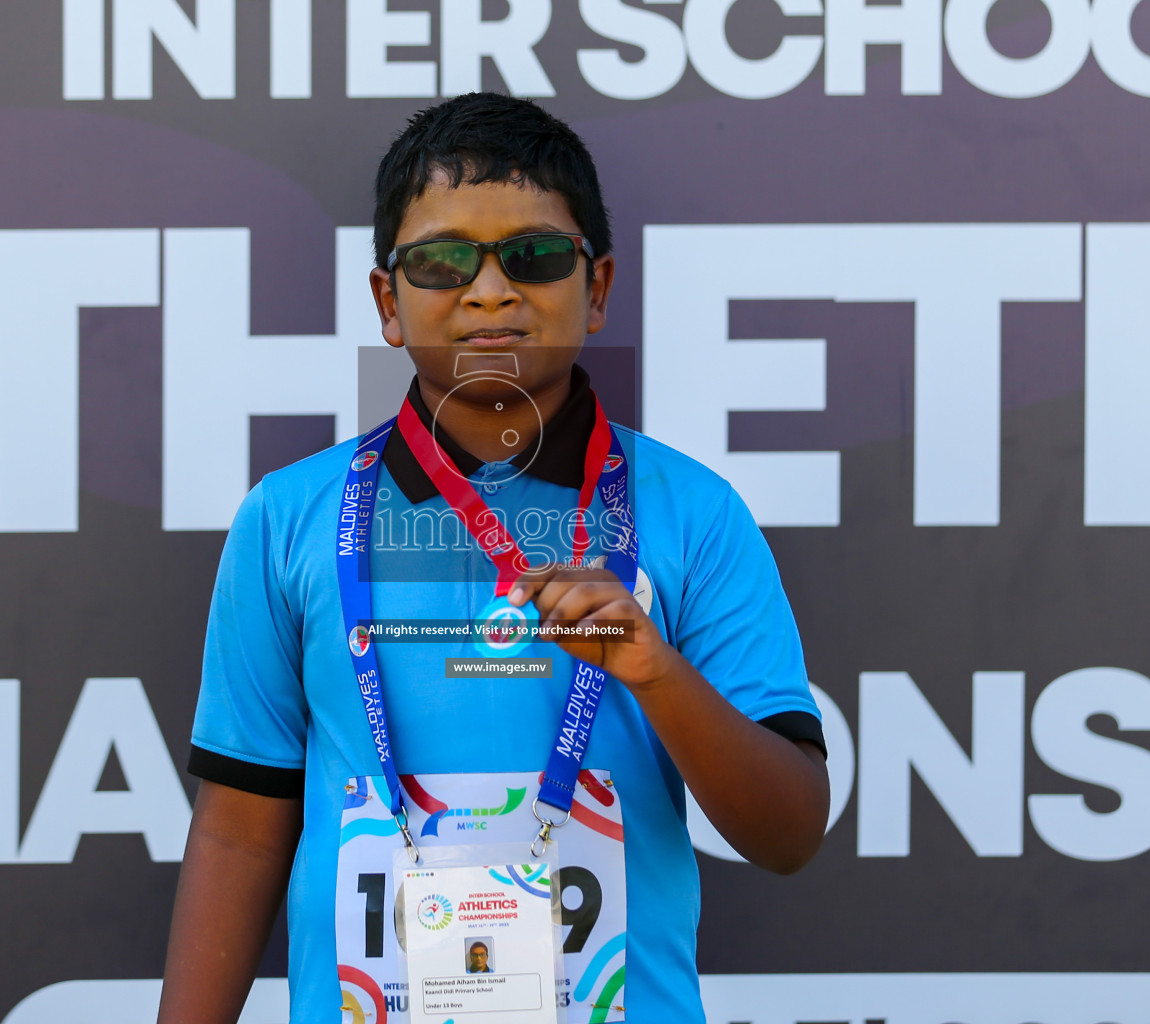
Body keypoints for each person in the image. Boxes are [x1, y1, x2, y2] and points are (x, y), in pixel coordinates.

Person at [157, 92, 829, 1024]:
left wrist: (654, 671)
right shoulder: (288, 520)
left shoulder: (693, 514)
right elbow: (238, 834)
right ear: (388, 303)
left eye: (535, 257)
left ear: (596, 289)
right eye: (440, 262)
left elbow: (790, 833)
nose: (489, 290)